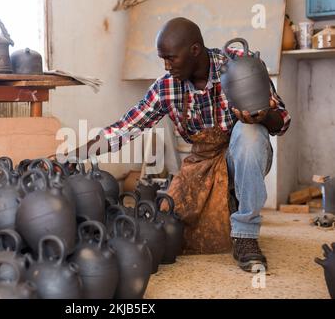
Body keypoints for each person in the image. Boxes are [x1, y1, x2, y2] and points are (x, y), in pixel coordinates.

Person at [56, 17, 291, 272]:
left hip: (242, 158)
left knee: (250, 134)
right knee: (176, 226)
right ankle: (228, 204)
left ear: (195, 50)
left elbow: (282, 121)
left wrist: (264, 116)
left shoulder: (236, 65)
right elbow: (124, 129)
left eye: (171, 58)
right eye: (163, 59)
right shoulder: (166, 87)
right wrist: (72, 155)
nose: (167, 66)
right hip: (202, 167)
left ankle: (245, 236)